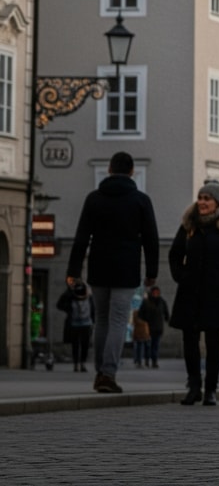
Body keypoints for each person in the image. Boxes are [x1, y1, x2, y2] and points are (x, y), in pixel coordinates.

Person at [65, 150, 161, 394]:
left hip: (99, 266)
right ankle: (108, 373)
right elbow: (151, 239)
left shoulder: (94, 199)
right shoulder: (141, 200)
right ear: (131, 172)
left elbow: (81, 237)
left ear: (109, 169)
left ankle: (100, 373)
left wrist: (73, 271)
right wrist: (152, 271)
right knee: (119, 319)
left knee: (102, 321)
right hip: (127, 268)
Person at [168, 180, 219, 406]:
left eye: (207, 199)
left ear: (217, 202)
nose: (202, 202)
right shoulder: (189, 224)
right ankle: (194, 386)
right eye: (200, 198)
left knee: (213, 342)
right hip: (190, 290)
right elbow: (175, 254)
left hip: (216, 292)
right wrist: (180, 276)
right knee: (190, 340)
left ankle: (211, 388)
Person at [56, 282, 94, 373]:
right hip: (74, 324)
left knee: (85, 345)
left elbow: (94, 309)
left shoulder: (89, 298)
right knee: (75, 345)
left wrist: (94, 321)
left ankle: (82, 363)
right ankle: (76, 364)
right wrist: (69, 291)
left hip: (86, 324)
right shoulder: (71, 298)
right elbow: (59, 304)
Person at [136, 286, 169, 368]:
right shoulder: (146, 302)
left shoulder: (161, 302)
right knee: (147, 345)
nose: (155, 294)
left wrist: (168, 319)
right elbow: (140, 314)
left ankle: (154, 361)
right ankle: (147, 360)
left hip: (158, 328)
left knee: (155, 345)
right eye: (154, 292)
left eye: (157, 292)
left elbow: (166, 313)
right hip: (148, 328)